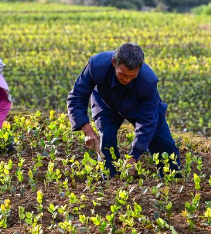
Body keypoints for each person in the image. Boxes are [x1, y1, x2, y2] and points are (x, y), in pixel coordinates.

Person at [67, 43, 181, 177]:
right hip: (106, 102)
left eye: (132, 75)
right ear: (114, 62)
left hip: (138, 106)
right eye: (123, 74)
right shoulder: (97, 66)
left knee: (164, 145)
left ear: (139, 68)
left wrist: (134, 156)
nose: (127, 79)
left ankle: (172, 181)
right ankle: (110, 180)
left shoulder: (148, 81)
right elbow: (76, 96)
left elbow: (148, 121)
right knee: (107, 136)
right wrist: (86, 130)